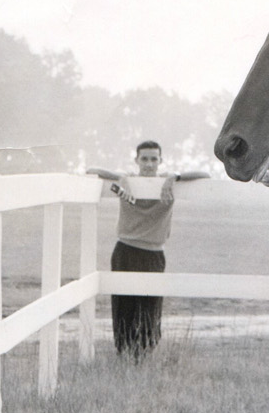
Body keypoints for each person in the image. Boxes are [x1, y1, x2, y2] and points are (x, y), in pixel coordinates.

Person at [87, 141, 208, 357]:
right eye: (144, 159)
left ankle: (144, 357)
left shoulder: (168, 181)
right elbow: (93, 171)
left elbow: (205, 174)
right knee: (124, 307)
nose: (149, 164)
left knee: (150, 308)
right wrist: (120, 177)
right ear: (137, 160)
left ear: (160, 161)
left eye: (154, 159)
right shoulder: (127, 181)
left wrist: (175, 177)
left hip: (153, 254)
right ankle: (123, 355)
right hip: (126, 250)